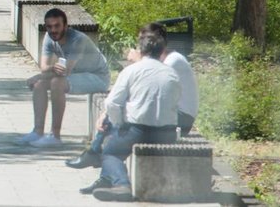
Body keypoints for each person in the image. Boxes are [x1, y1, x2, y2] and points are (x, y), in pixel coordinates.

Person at [67, 22, 198, 170]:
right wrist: (105, 113)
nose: (141, 46)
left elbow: (152, 83)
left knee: (121, 111)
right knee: (115, 107)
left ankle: (96, 154)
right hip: (163, 112)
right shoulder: (162, 60)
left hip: (180, 118)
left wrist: (139, 61)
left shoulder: (174, 60)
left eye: (144, 42)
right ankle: (95, 153)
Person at [81, 26, 181, 201]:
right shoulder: (172, 73)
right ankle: (107, 180)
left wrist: (119, 123)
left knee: (111, 152)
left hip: (138, 130)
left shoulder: (131, 70)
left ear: (141, 50)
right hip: (168, 132)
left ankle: (121, 184)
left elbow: (112, 103)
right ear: (162, 51)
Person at [18, 7, 110, 148]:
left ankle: (55, 135)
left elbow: (65, 71)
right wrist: (42, 76)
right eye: (49, 26)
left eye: (57, 26)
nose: (53, 30)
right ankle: (37, 132)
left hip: (97, 77)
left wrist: (38, 75)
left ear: (66, 26)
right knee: (40, 85)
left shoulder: (78, 40)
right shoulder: (49, 38)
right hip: (77, 75)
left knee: (56, 83)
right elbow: (45, 67)